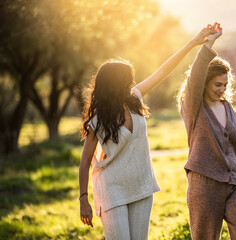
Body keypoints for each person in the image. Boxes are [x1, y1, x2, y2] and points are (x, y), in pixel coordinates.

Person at [78, 26, 217, 239]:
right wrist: (84, 199)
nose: (132, 83)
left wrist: (193, 43)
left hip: (141, 185)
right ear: (114, 84)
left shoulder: (135, 98)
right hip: (112, 190)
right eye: (127, 80)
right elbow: (85, 161)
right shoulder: (97, 120)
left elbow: (164, 71)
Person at [177, 23, 236, 240]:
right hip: (204, 186)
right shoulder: (193, 109)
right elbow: (194, 77)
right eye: (217, 84)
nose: (222, 89)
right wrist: (209, 43)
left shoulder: (228, 108)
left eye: (225, 85)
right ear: (205, 84)